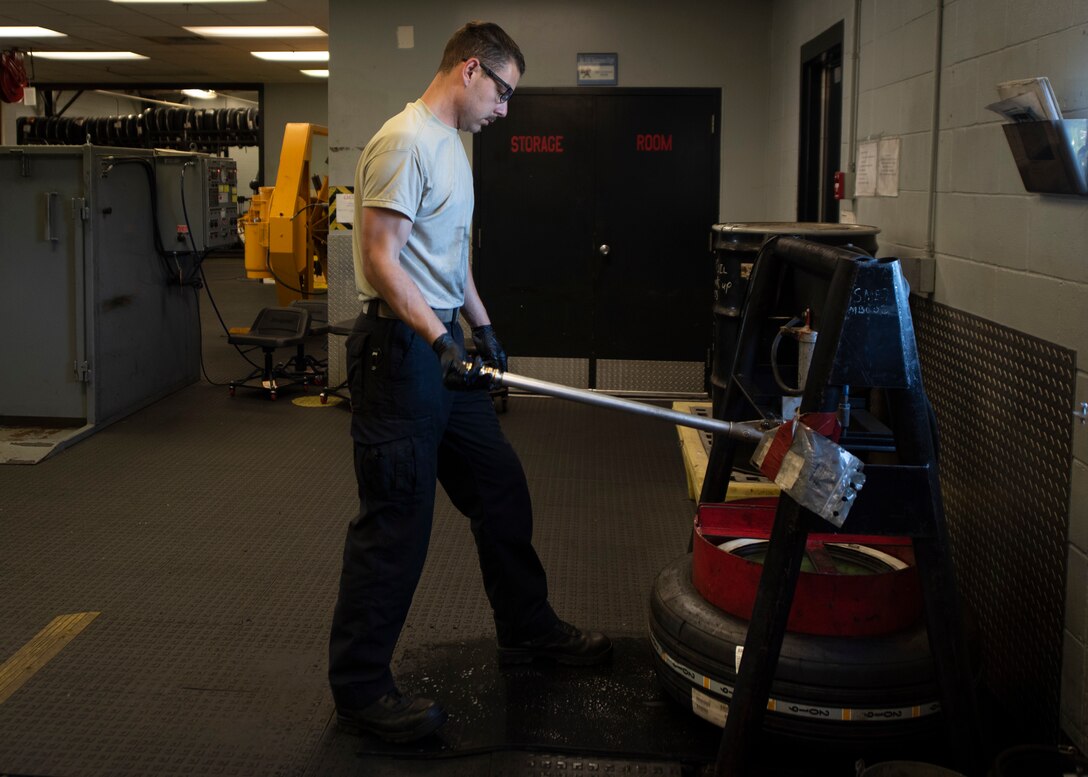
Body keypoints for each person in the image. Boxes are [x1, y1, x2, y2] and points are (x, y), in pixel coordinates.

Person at [328, 21, 612, 744]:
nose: (506, 109)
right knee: (397, 522)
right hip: (400, 353)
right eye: (505, 92)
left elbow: (448, 259)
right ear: (469, 70)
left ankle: (526, 629)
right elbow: (382, 256)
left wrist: (481, 326)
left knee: (500, 488)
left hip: (443, 346)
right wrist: (437, 337)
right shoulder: (404, 141)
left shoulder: (454, 149)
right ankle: (360, 688)